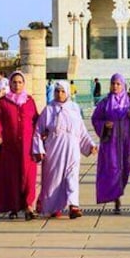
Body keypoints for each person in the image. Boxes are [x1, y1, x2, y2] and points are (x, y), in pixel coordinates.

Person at [33, 81, 97, 219]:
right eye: (57, 91)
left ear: (67, 92)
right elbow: (38, 130)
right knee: (53, 180)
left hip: (72, 149)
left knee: (72, 176)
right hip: (54, 150)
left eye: (62, 91)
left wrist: (90, 145)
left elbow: (81, 131)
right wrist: (38, 149)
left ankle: (74, 205)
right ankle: (54, 207)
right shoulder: (48, 110)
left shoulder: (74, 108)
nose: (59, 94)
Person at [91, 73, 130, 214]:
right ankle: (116, 199)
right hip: (110, 144)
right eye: (113, 83)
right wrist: (104, 124)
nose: (115, 86)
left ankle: (119, 192)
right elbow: (95, 118)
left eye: (118, 84)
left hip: (126, 142)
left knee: (125, 168)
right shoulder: (105, 103)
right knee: (113, 169)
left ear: (123, 85)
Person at [0, 71, 39, 220]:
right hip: (10, 147)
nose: (17, 85)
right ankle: (13, 206)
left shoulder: (29, 101)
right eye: (14, 82)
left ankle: (29, 206)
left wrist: (43, 134)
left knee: (29, 177)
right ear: (9, 84)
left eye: (20, 82)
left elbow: (36, 120)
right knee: (12, 177)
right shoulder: (3, 102)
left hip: (27, 147)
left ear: (24, 84)